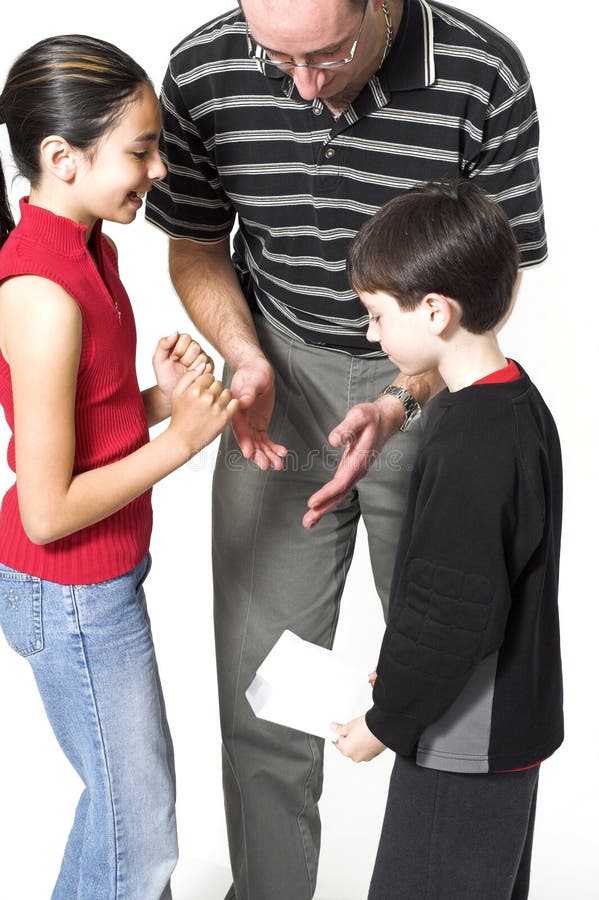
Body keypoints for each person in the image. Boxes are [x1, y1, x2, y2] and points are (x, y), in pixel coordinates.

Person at [145, 1, 547, 897]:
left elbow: (488, 280)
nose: (304, 85)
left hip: (426, 389)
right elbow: (195, 239)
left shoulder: (481, 72)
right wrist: (244, 357)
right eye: (275, 57)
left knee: (460, 692)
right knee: (264, 701)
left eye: (328, 53)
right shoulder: (205, 66)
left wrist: (405, 398)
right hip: (275, 384)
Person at [0, 34, 237, 900]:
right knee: (137, 842)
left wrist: (161, 401)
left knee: (125, 820)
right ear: (62, 158)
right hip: (67, 590)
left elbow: (82, 428)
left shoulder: (88, 248)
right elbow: (47, 510)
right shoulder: (42, 292)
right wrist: (178, 446)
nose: (162, 170)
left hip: (95, 582)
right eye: (140, 150)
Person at [332, 179, 563, 900]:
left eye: (375, 315)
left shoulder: (471, 444)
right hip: (498, 729)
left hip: (462, 743)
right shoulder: (512, 396)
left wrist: (386, 718)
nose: (371, 335)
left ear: (433, 311)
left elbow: (448, 613)